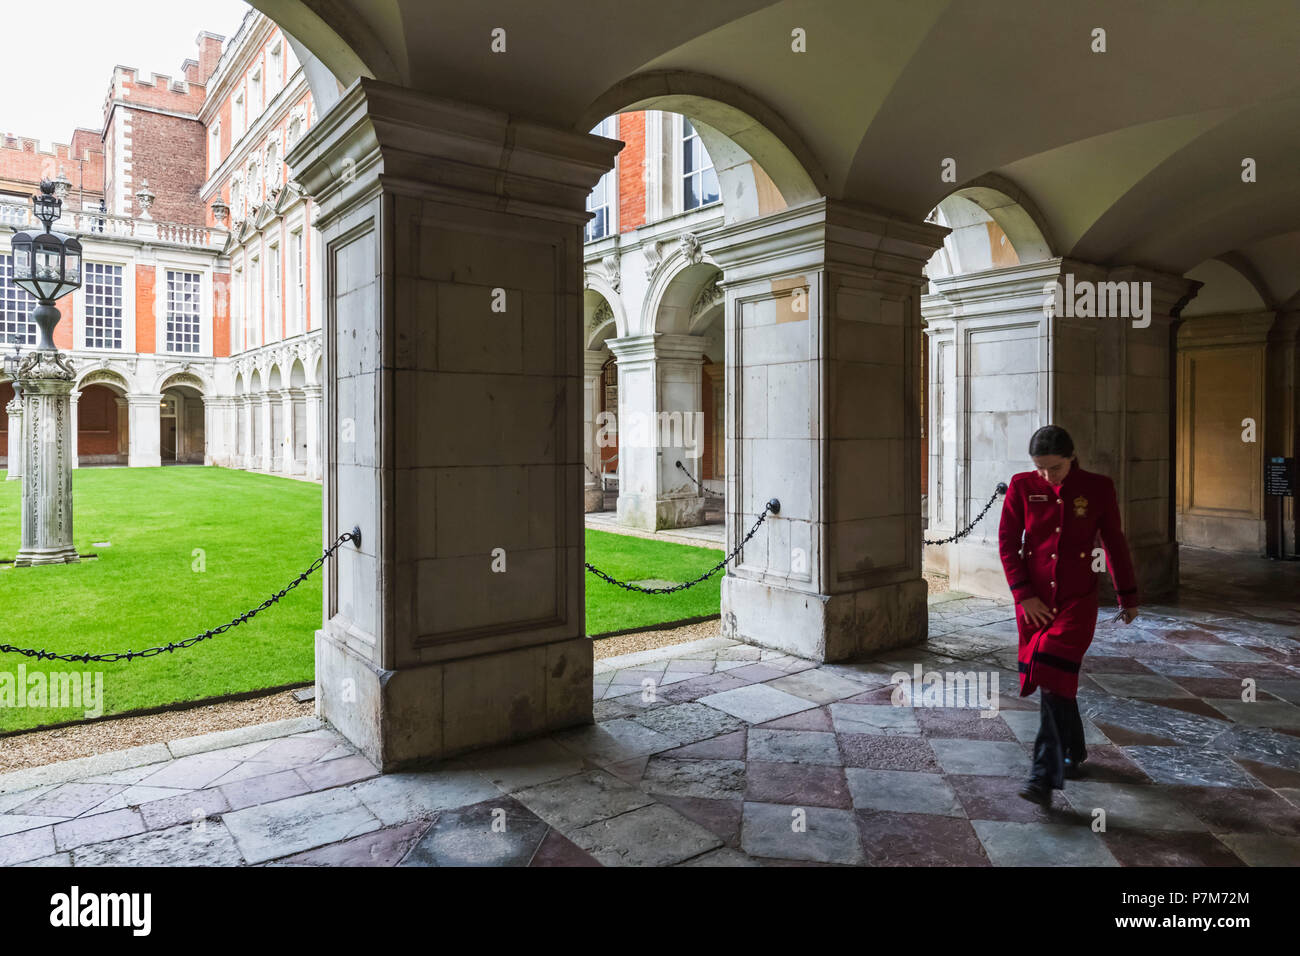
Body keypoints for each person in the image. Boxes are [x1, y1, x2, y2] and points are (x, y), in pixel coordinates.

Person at [997, 424, 1139, 806]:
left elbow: (1114, 542)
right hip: (1035, 602)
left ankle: (1042, 775)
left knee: (1049, 666)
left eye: (1054, 468)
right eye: (1040, 468)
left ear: (1072, 457)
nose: (1047, 476)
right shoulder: (1022, 485)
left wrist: (1127, 593)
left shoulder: (1097, 487)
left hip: (1077, 600)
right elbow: (1008, 544)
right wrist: (1024, 596)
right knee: (1056, 677)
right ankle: (1074, 749)